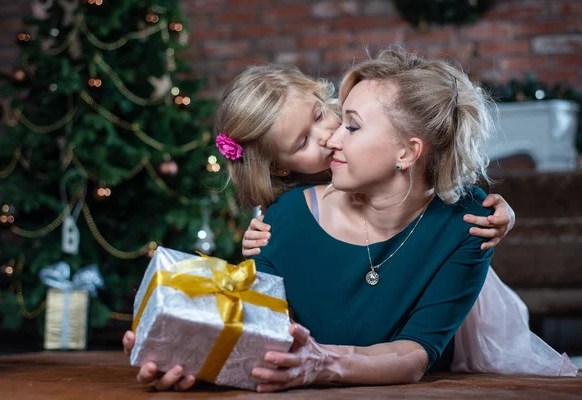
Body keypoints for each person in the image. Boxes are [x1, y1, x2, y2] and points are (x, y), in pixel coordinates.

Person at [123, 51, 573, 392]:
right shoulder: (280, 221)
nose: (331, 136)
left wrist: (503, 211)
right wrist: (185, 348)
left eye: (344, 122)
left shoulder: (469, 221)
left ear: (407, 152)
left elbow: (415, 353)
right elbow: (265, 337)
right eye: (305, 140)